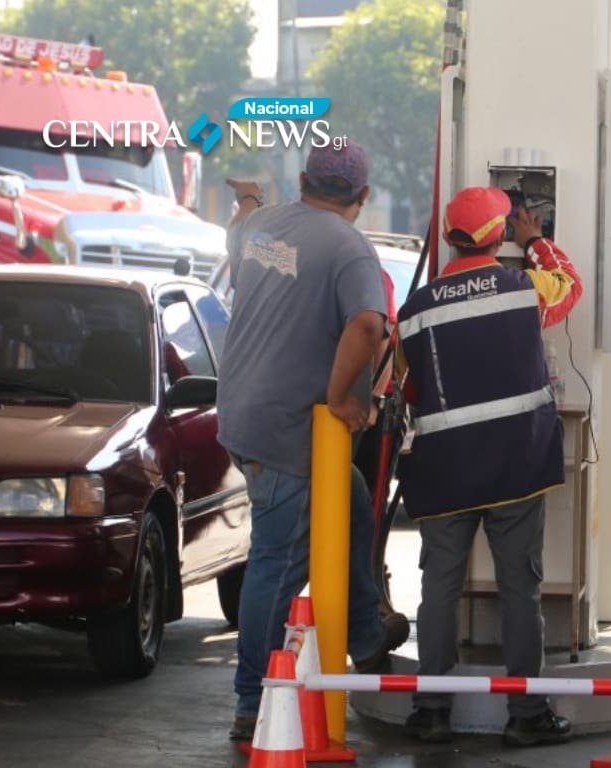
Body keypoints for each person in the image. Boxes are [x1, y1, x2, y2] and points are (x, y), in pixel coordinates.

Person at [217, 144, 391, 741]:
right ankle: (254, 699)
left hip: (244, 414)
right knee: (278, 561)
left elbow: (237, 239)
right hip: (292, 428)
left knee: (352, 497)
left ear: (302, 180)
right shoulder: (349, 248)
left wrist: (247, 198)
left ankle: (364, 632)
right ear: (362, 198)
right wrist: (344, 396)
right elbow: (368, 323)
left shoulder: (264, 226)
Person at [397, 186, 582, 746]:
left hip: (444, 469)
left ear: (450, 236)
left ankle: (430, 711)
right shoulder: (525, 286)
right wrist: (538, 241)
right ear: (498, 234)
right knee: (519, 588)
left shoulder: (415, 310)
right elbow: (571, 285)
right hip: (514, 465)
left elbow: (409, 390)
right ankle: (527, 716)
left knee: (440, 588)